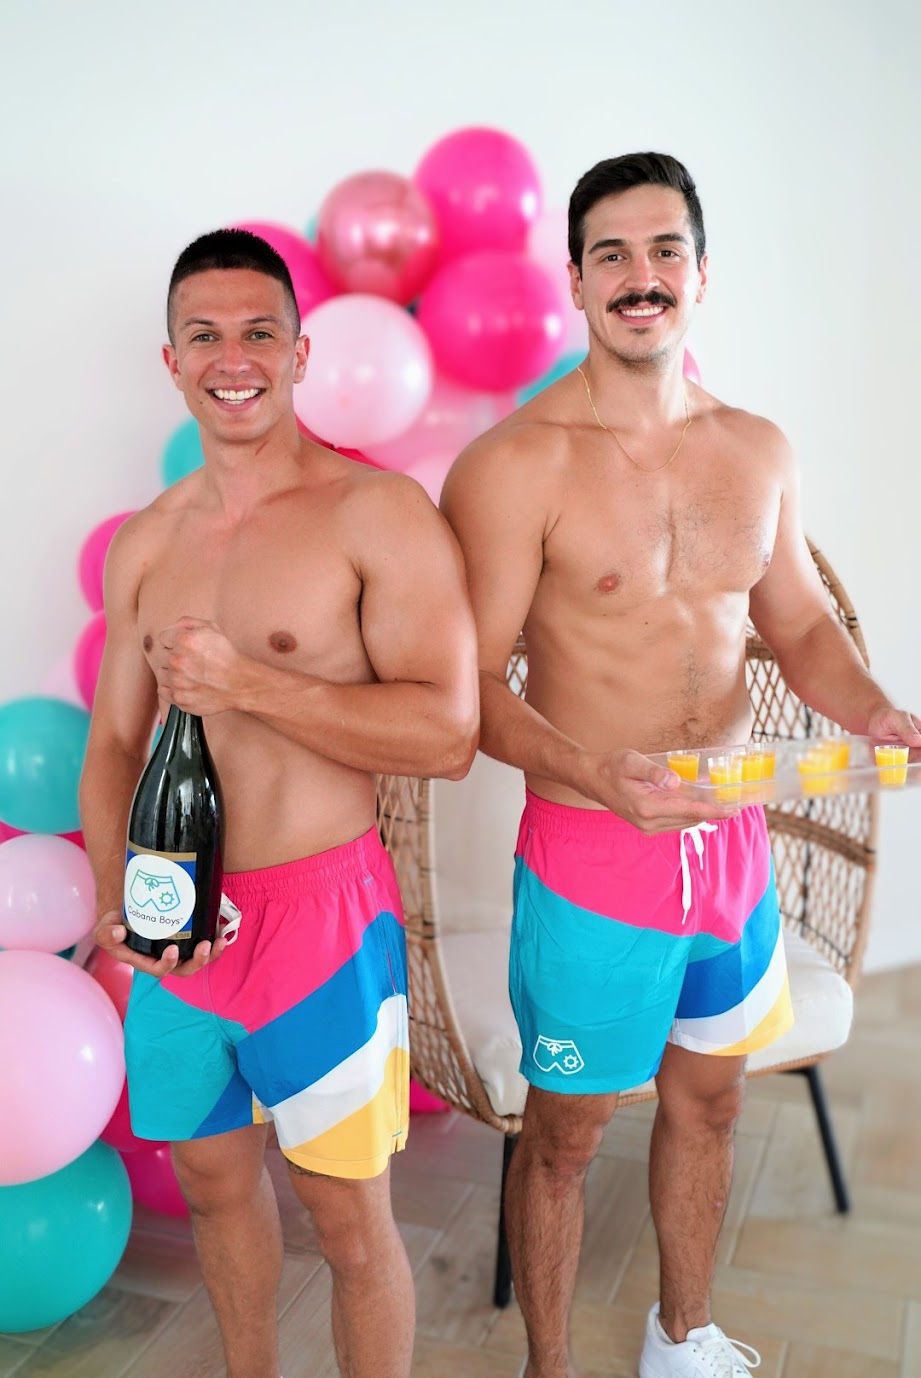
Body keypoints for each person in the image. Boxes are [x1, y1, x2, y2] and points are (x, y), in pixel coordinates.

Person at [440, 152, 921, 1378]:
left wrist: (876, 711)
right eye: (611, 253)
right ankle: (553, 1365)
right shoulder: (513, 465)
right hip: (594, 852)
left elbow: (802, 623)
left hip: (733, 839)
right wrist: (591, 773)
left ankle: (682, 1335)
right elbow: (467, 692)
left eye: (664, 252)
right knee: (564, 1135)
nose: (640, 277)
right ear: (575, 283)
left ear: (701, 277)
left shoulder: (755, 447)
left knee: (712, 1100)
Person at [79, 228, 479, 1378]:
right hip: (177, 920)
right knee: (211, 1186)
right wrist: (120, 901)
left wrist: (247, 680)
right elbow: (114, 741)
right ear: (172, 361)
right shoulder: (148, 540)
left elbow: (447, 733)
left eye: (260, 331)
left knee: (349, 1220)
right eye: (205, 334)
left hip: (324, 922)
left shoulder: (377, 510)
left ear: (302, 351)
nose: (233, 356)